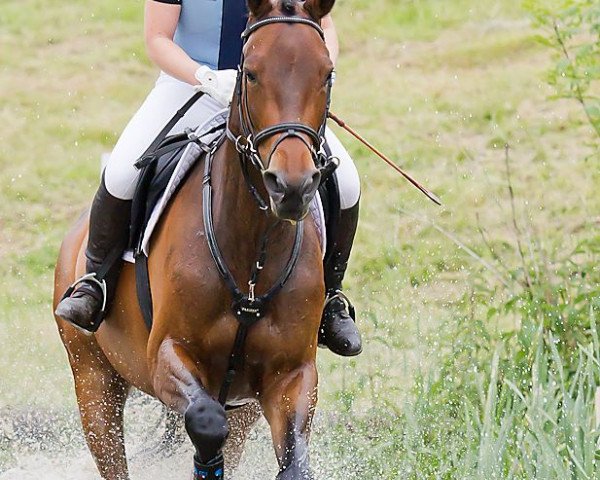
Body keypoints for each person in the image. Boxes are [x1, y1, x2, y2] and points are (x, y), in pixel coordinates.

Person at [55, 0, 363, 357]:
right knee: (123, 170)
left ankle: (332, 299)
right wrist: (205, 77)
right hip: (191, 86)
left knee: (348, 181)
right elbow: (157, 38)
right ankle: (95, 284)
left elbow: (322, 25)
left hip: (273, 96)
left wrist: (321, 68)